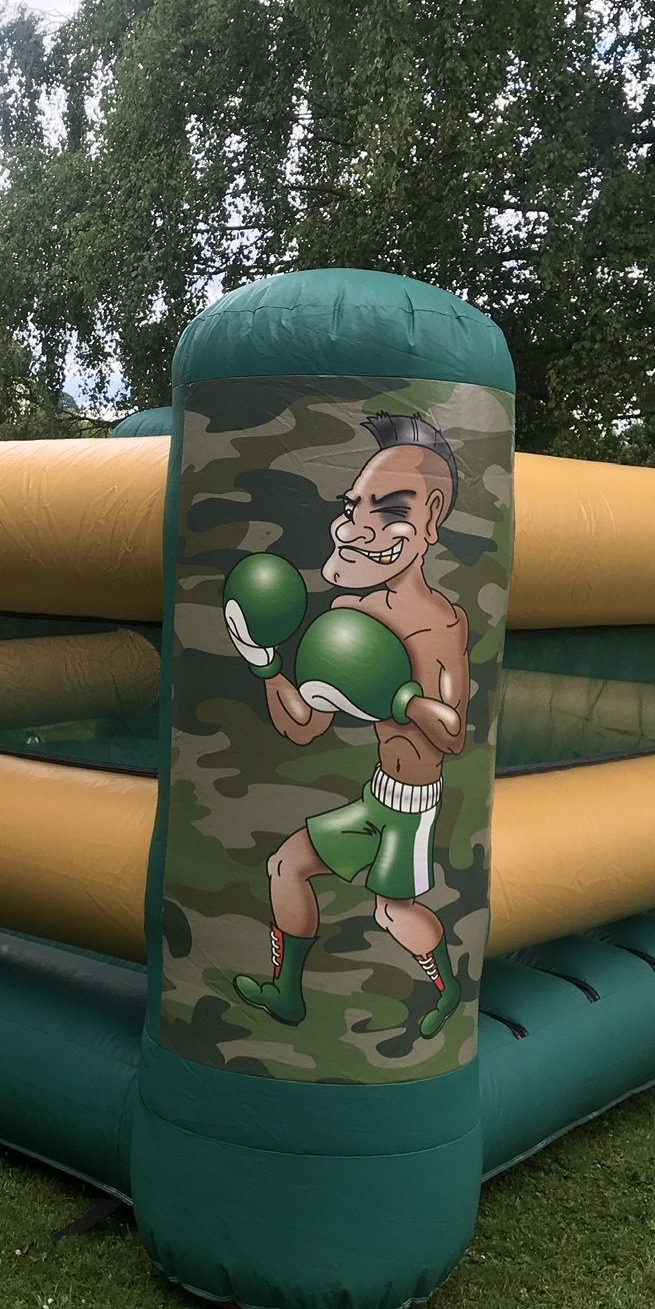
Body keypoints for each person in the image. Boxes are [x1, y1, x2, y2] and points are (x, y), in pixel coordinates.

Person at [227, 414, 471, 1038]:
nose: (355, 526)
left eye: (388, 509)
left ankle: (446, 991)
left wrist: (400, 700)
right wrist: (266, 663)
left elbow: (452, 733)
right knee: (287, 866)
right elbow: (306, 726)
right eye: (354, 504)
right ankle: (288, 992)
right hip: (375, 798)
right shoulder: (349, 615)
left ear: (432, 516)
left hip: (413, 805)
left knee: (393, 912)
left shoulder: (439, 626)